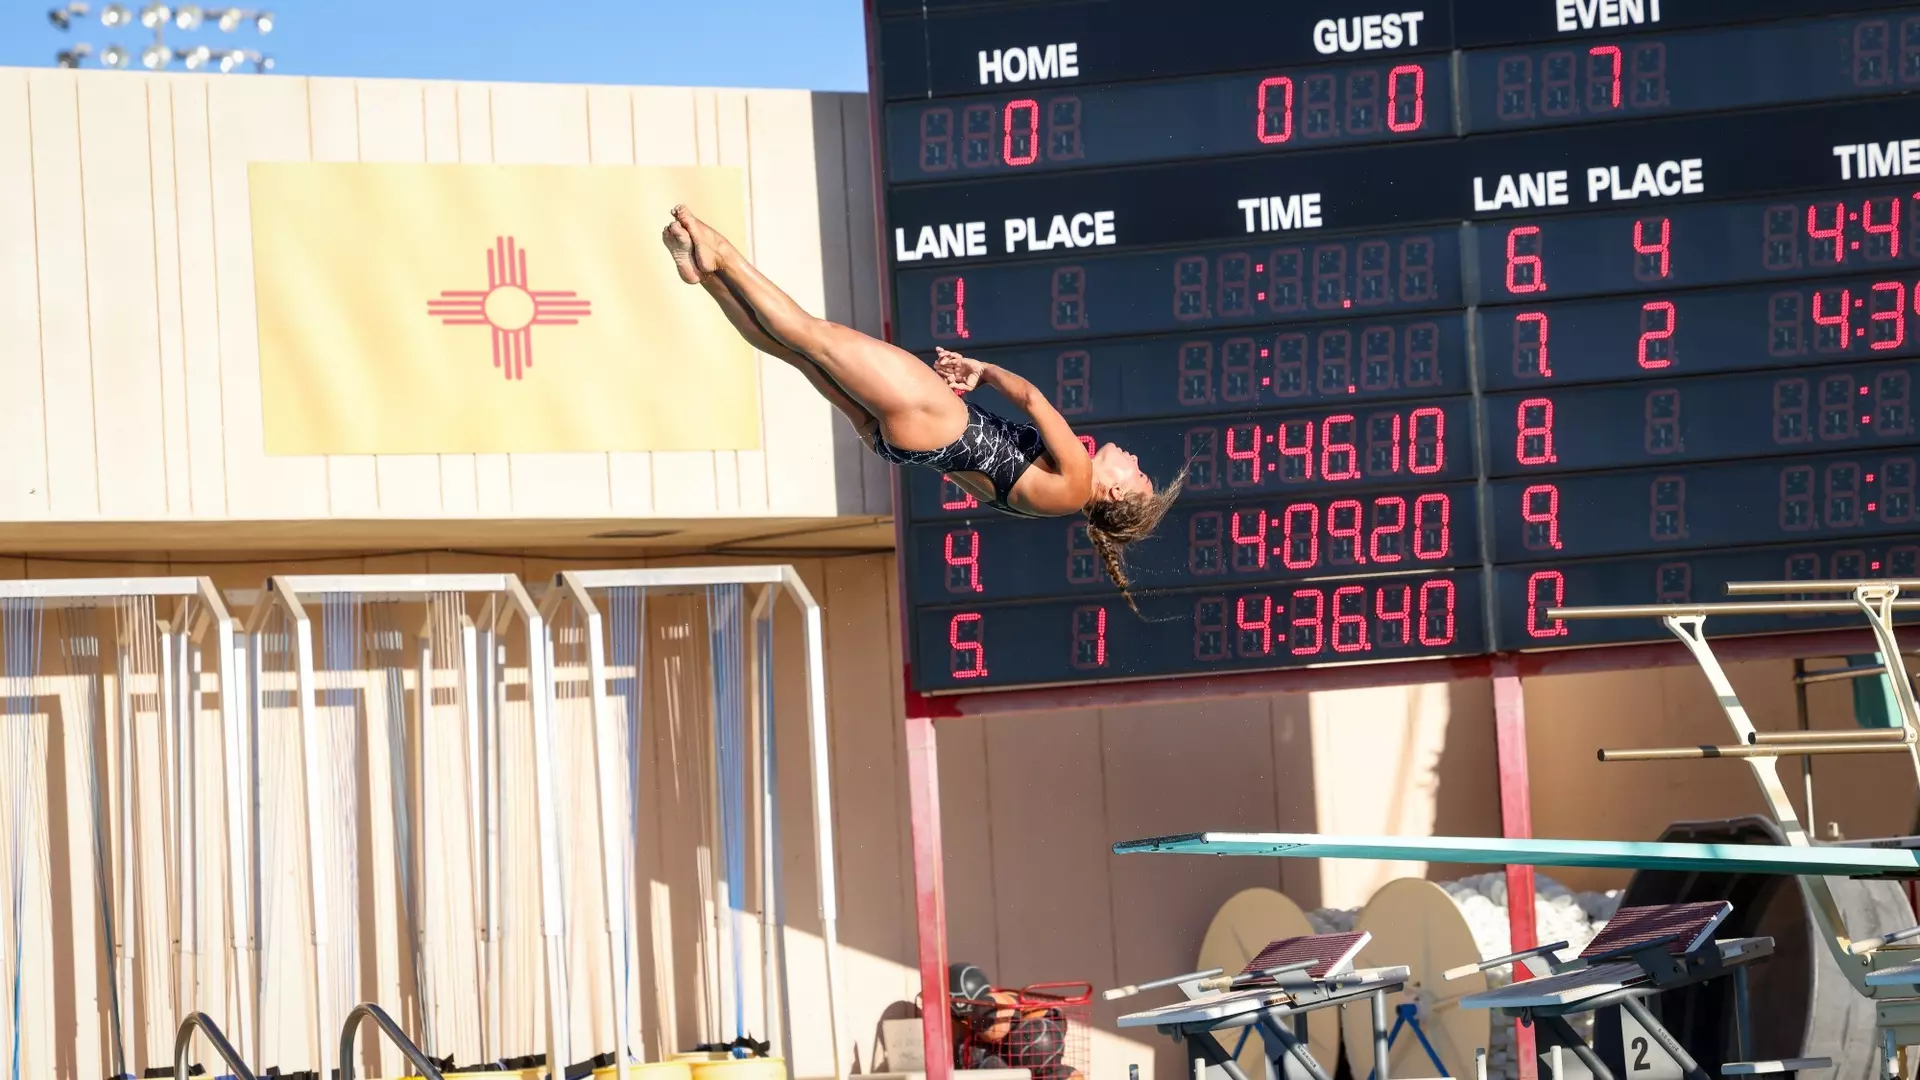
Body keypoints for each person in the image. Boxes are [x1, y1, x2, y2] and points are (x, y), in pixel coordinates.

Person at [661, 204, 1183, 610]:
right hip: (909, 446)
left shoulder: (1074, 483)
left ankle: (721, 254)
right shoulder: (1051, 501)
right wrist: (934, 432)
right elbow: (975, 478)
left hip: (942, 424)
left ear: (1114, 490)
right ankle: (708, 277)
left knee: (817, 338)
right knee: (797, 354)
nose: (1136, 463)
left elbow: (1030, 398)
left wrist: (982, 373)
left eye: (1137, 476)